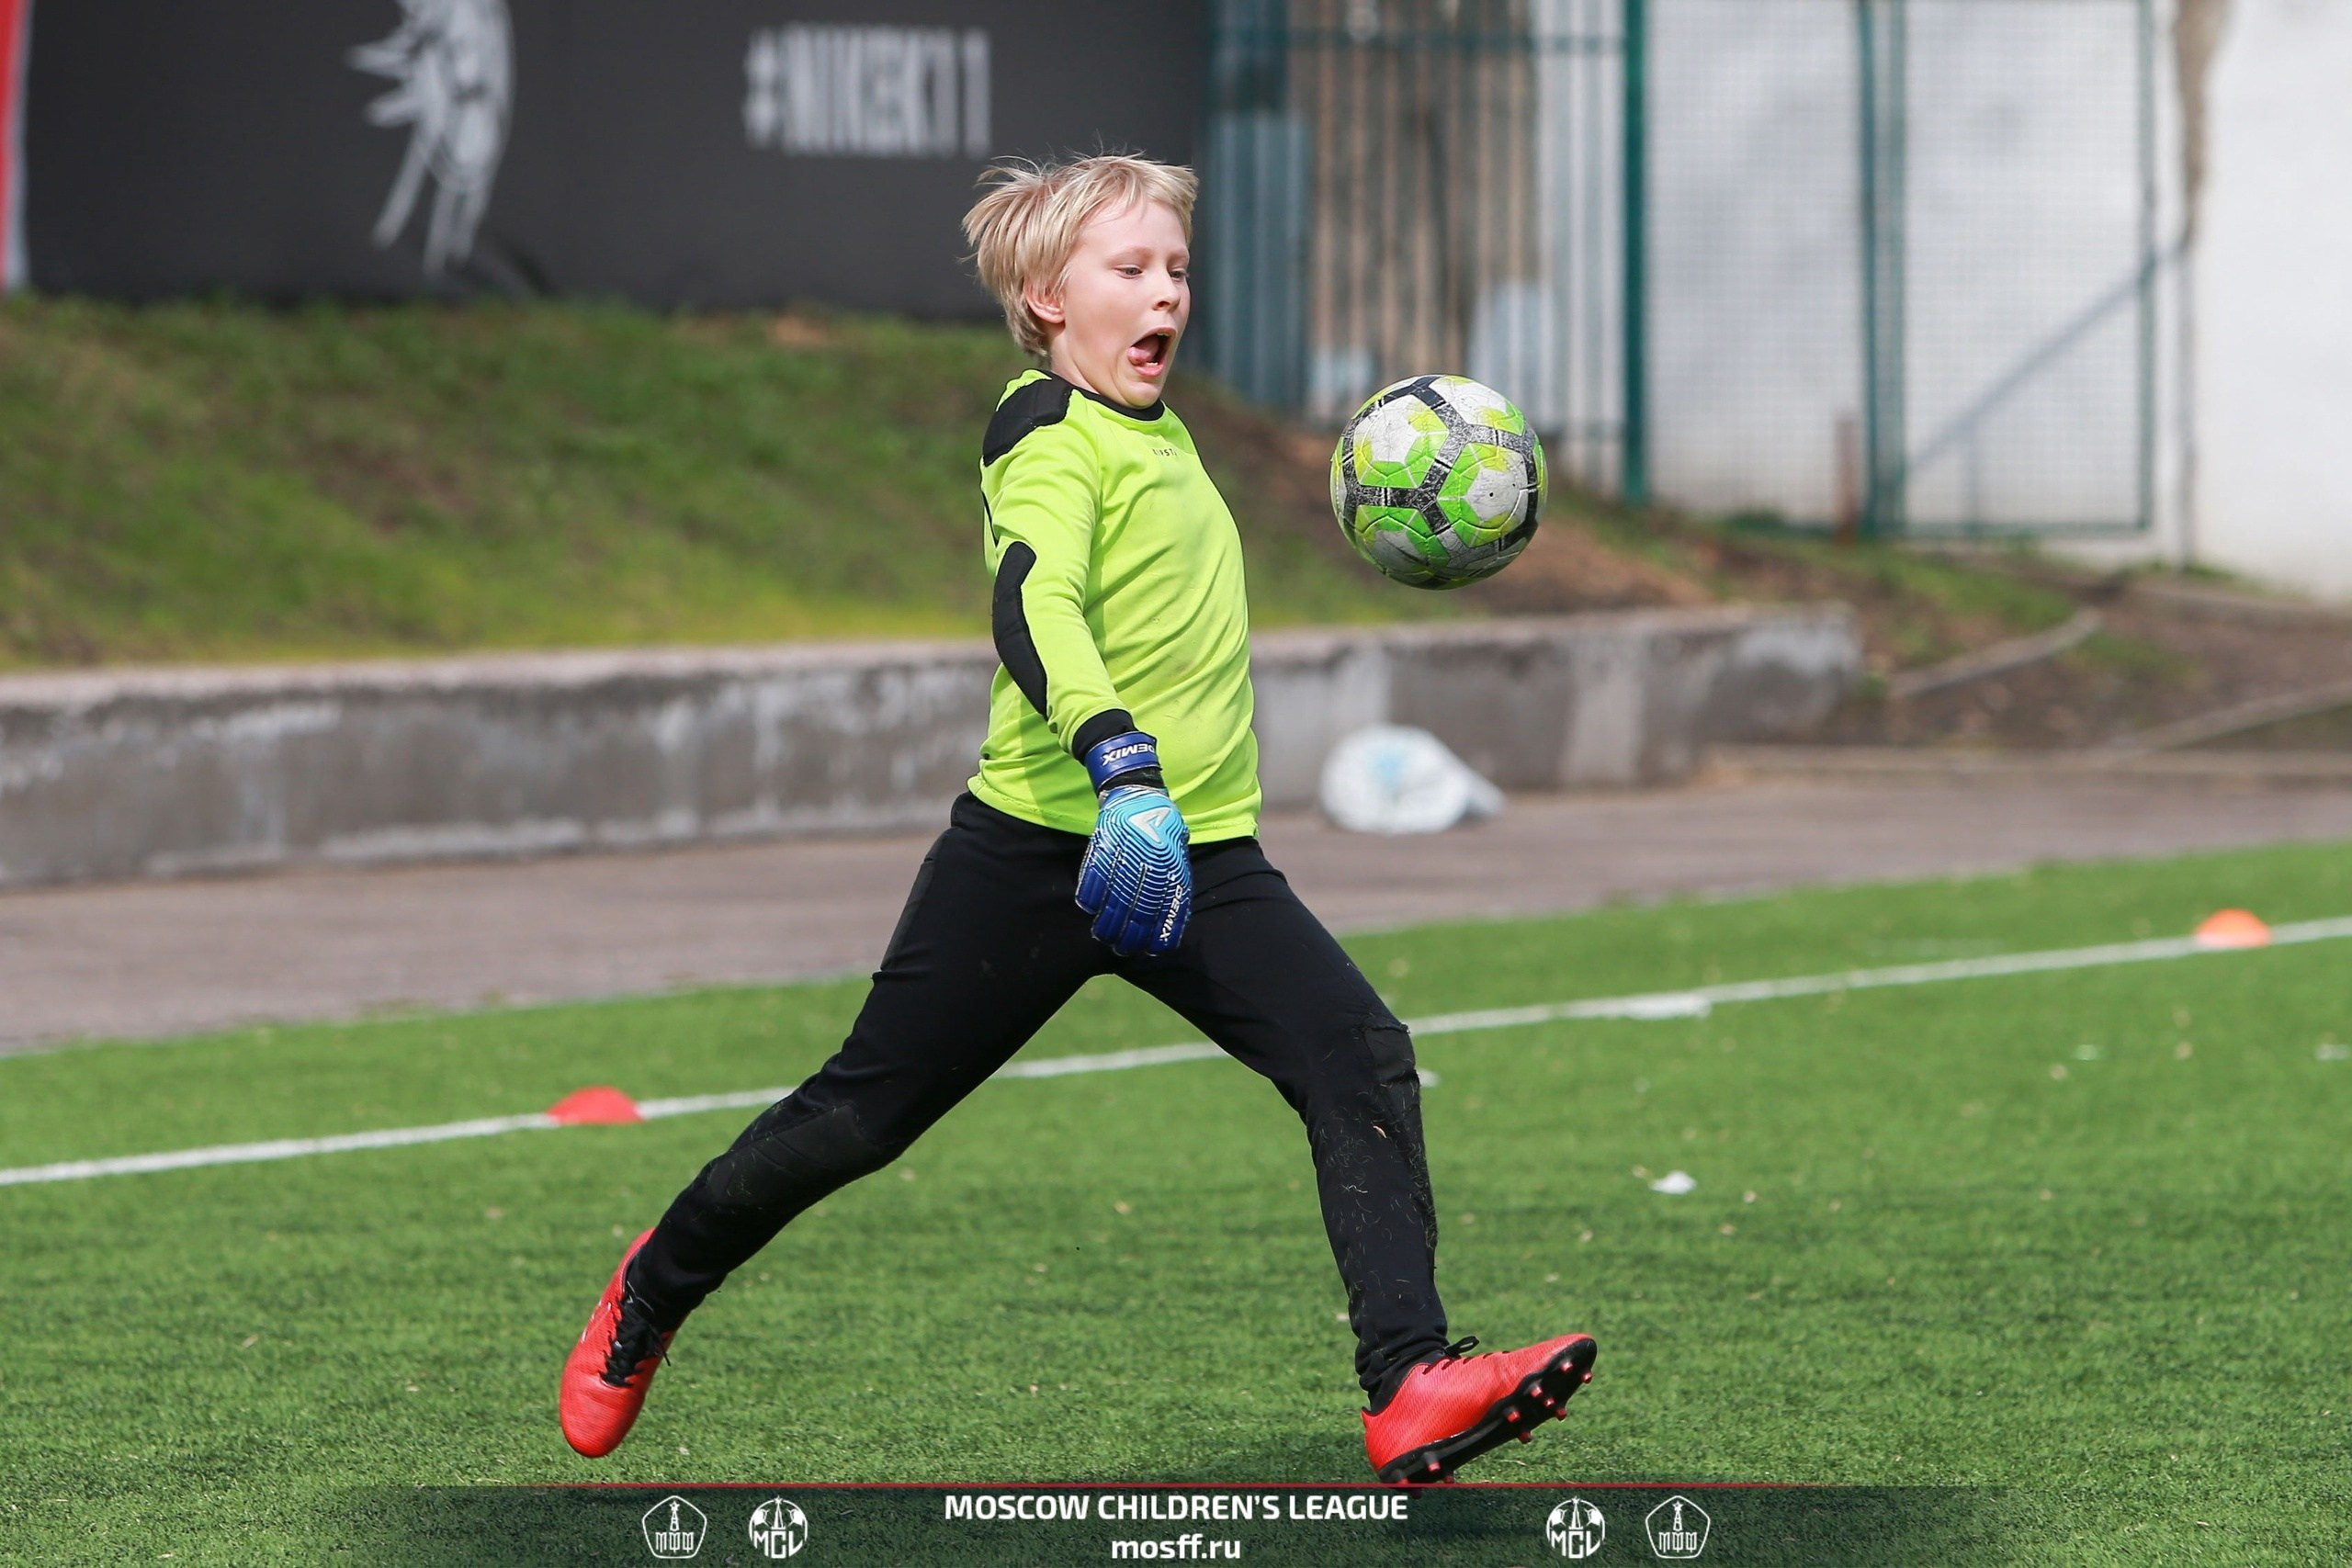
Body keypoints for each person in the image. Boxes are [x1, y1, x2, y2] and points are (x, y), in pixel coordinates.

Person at [558, 154, 1595, 1483]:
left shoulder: (1162, 433)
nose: (1165, 292)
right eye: (1131, 269)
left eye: (1175, 269)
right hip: (1047, 849)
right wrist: (1117, 763)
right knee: (861, 1118)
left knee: (1359, 1058)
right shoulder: (1042, 428)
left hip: (1202, 859)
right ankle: (654, 1286)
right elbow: (1032, 601)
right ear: (1049, 301)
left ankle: (1408, 1383)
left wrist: (1165, 800)